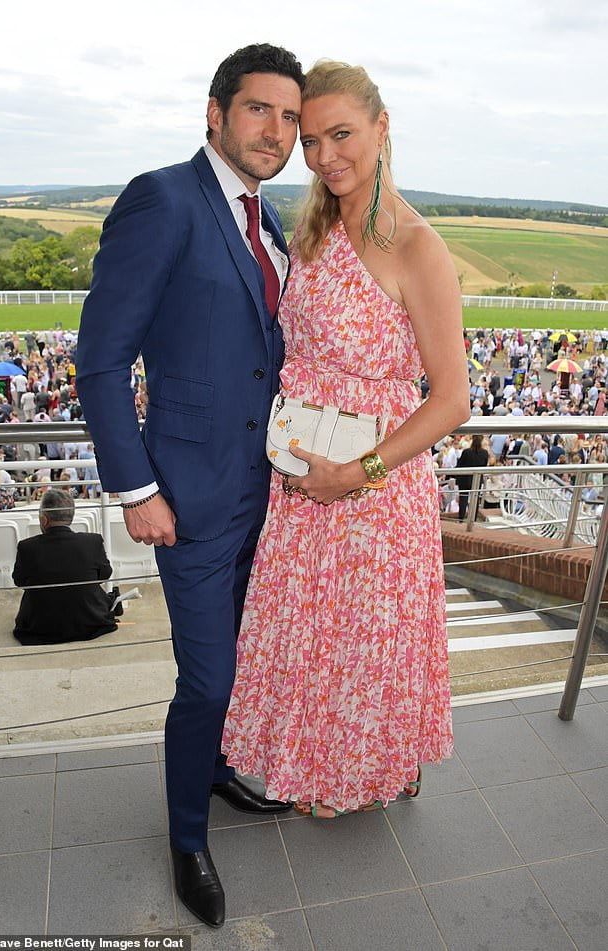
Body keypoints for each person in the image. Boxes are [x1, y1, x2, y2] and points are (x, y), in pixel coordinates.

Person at [75, 44, 304, 929]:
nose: (276, 133)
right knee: (207, 679)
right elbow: (99, 363)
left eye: (289, 118)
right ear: (214, 113)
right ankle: (186, 838)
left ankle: (214, 769)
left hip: (267, 496)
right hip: (191, 498)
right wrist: (137, 489)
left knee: (236, 668)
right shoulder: (163, 198)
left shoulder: (266, 215)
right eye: (259, 111)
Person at [222, 61, 470, 818]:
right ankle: (323, 762)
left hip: (372, 487)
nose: (325, 154)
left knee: (365, 645)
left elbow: (453, 399)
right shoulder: (315, 226)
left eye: (342, 134)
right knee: (310, 639)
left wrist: (358, 471)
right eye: (312, 138)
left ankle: (364, 769)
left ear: (381, 127)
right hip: (301, 477)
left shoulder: (417, 248)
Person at [12, 489, 118, 645]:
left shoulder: (27, 547)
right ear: (71, 516)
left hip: (39, 627)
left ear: (44, 519)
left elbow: (19, 581)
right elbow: (105, 574)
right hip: (90, 623)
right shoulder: (92, 542)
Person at [456, 433, 490, 520]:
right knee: (475, 498)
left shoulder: (466, 452)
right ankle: (473, 518)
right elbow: (484, 466)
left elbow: (460, 465)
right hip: (477, 478)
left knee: (463, 498)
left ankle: (461, 518)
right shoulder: (484, 453)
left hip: (465, 479)